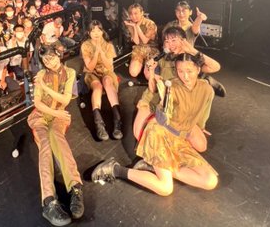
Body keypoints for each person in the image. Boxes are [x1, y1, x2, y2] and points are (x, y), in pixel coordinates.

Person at [92, 53, 218, 196]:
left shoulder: (206, 90)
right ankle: (115, 169)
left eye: (189, 71)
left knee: (210, 180)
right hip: (159, 134)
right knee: (165, 188)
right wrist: (163, 100)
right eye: (180, 71)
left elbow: (201, 113)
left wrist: (200, 128)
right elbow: (161, 113)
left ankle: (154, 167)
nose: (185, 76)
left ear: (198, 69)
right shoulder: (172, 87)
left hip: (179, 139)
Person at [133, 26, 220, 140]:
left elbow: (215, 67)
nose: (170, 44)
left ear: (184, 41)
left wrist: (192, 50)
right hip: (156, 98)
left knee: (208, 90)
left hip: (178, 103)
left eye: (174, 40)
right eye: (167, 41)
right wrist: (150, 71)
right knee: (139, 134)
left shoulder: (191, 59)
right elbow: (153, 86)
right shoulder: (160, 59)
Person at [28, 49, 84, 226]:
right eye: (45, 61)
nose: (49, 62)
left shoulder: (70, 72)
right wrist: (55, 113)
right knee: (45, 145)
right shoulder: (41, 75)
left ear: (58, 55)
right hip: (41, 115)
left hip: (59, 114)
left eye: (51, 58)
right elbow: (37, 103)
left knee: (57, 137)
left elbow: (65, 100)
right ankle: (48, 201)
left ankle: (75, 188)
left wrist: (45, 88)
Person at [80, 20, 122, 141]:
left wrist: (101, 51)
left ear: (102, 31)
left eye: (98, 30)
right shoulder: (85, 45)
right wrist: (96, 52)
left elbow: (109, 66)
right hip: (91, 73)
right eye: (93, 31)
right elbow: (90, 67)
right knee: (97, 87)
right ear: (89, 33)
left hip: (106, 72)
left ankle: (117, 121)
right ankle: (99, 124)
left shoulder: (108, 45)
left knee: (107, 82)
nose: (96, 33)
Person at [125, 4, 157, 78]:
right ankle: (141, 65)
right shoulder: (130, 24)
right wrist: (134, 26)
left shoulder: (150, 23)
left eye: (136, 13)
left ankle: (145, 66)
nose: (133, 16)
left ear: (142, 13)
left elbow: (145, 41)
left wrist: (137, 26)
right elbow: (136, 42)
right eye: (131, 14)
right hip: (139, 49)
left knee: (149, 76)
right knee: (133, 73)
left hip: (151, 49)